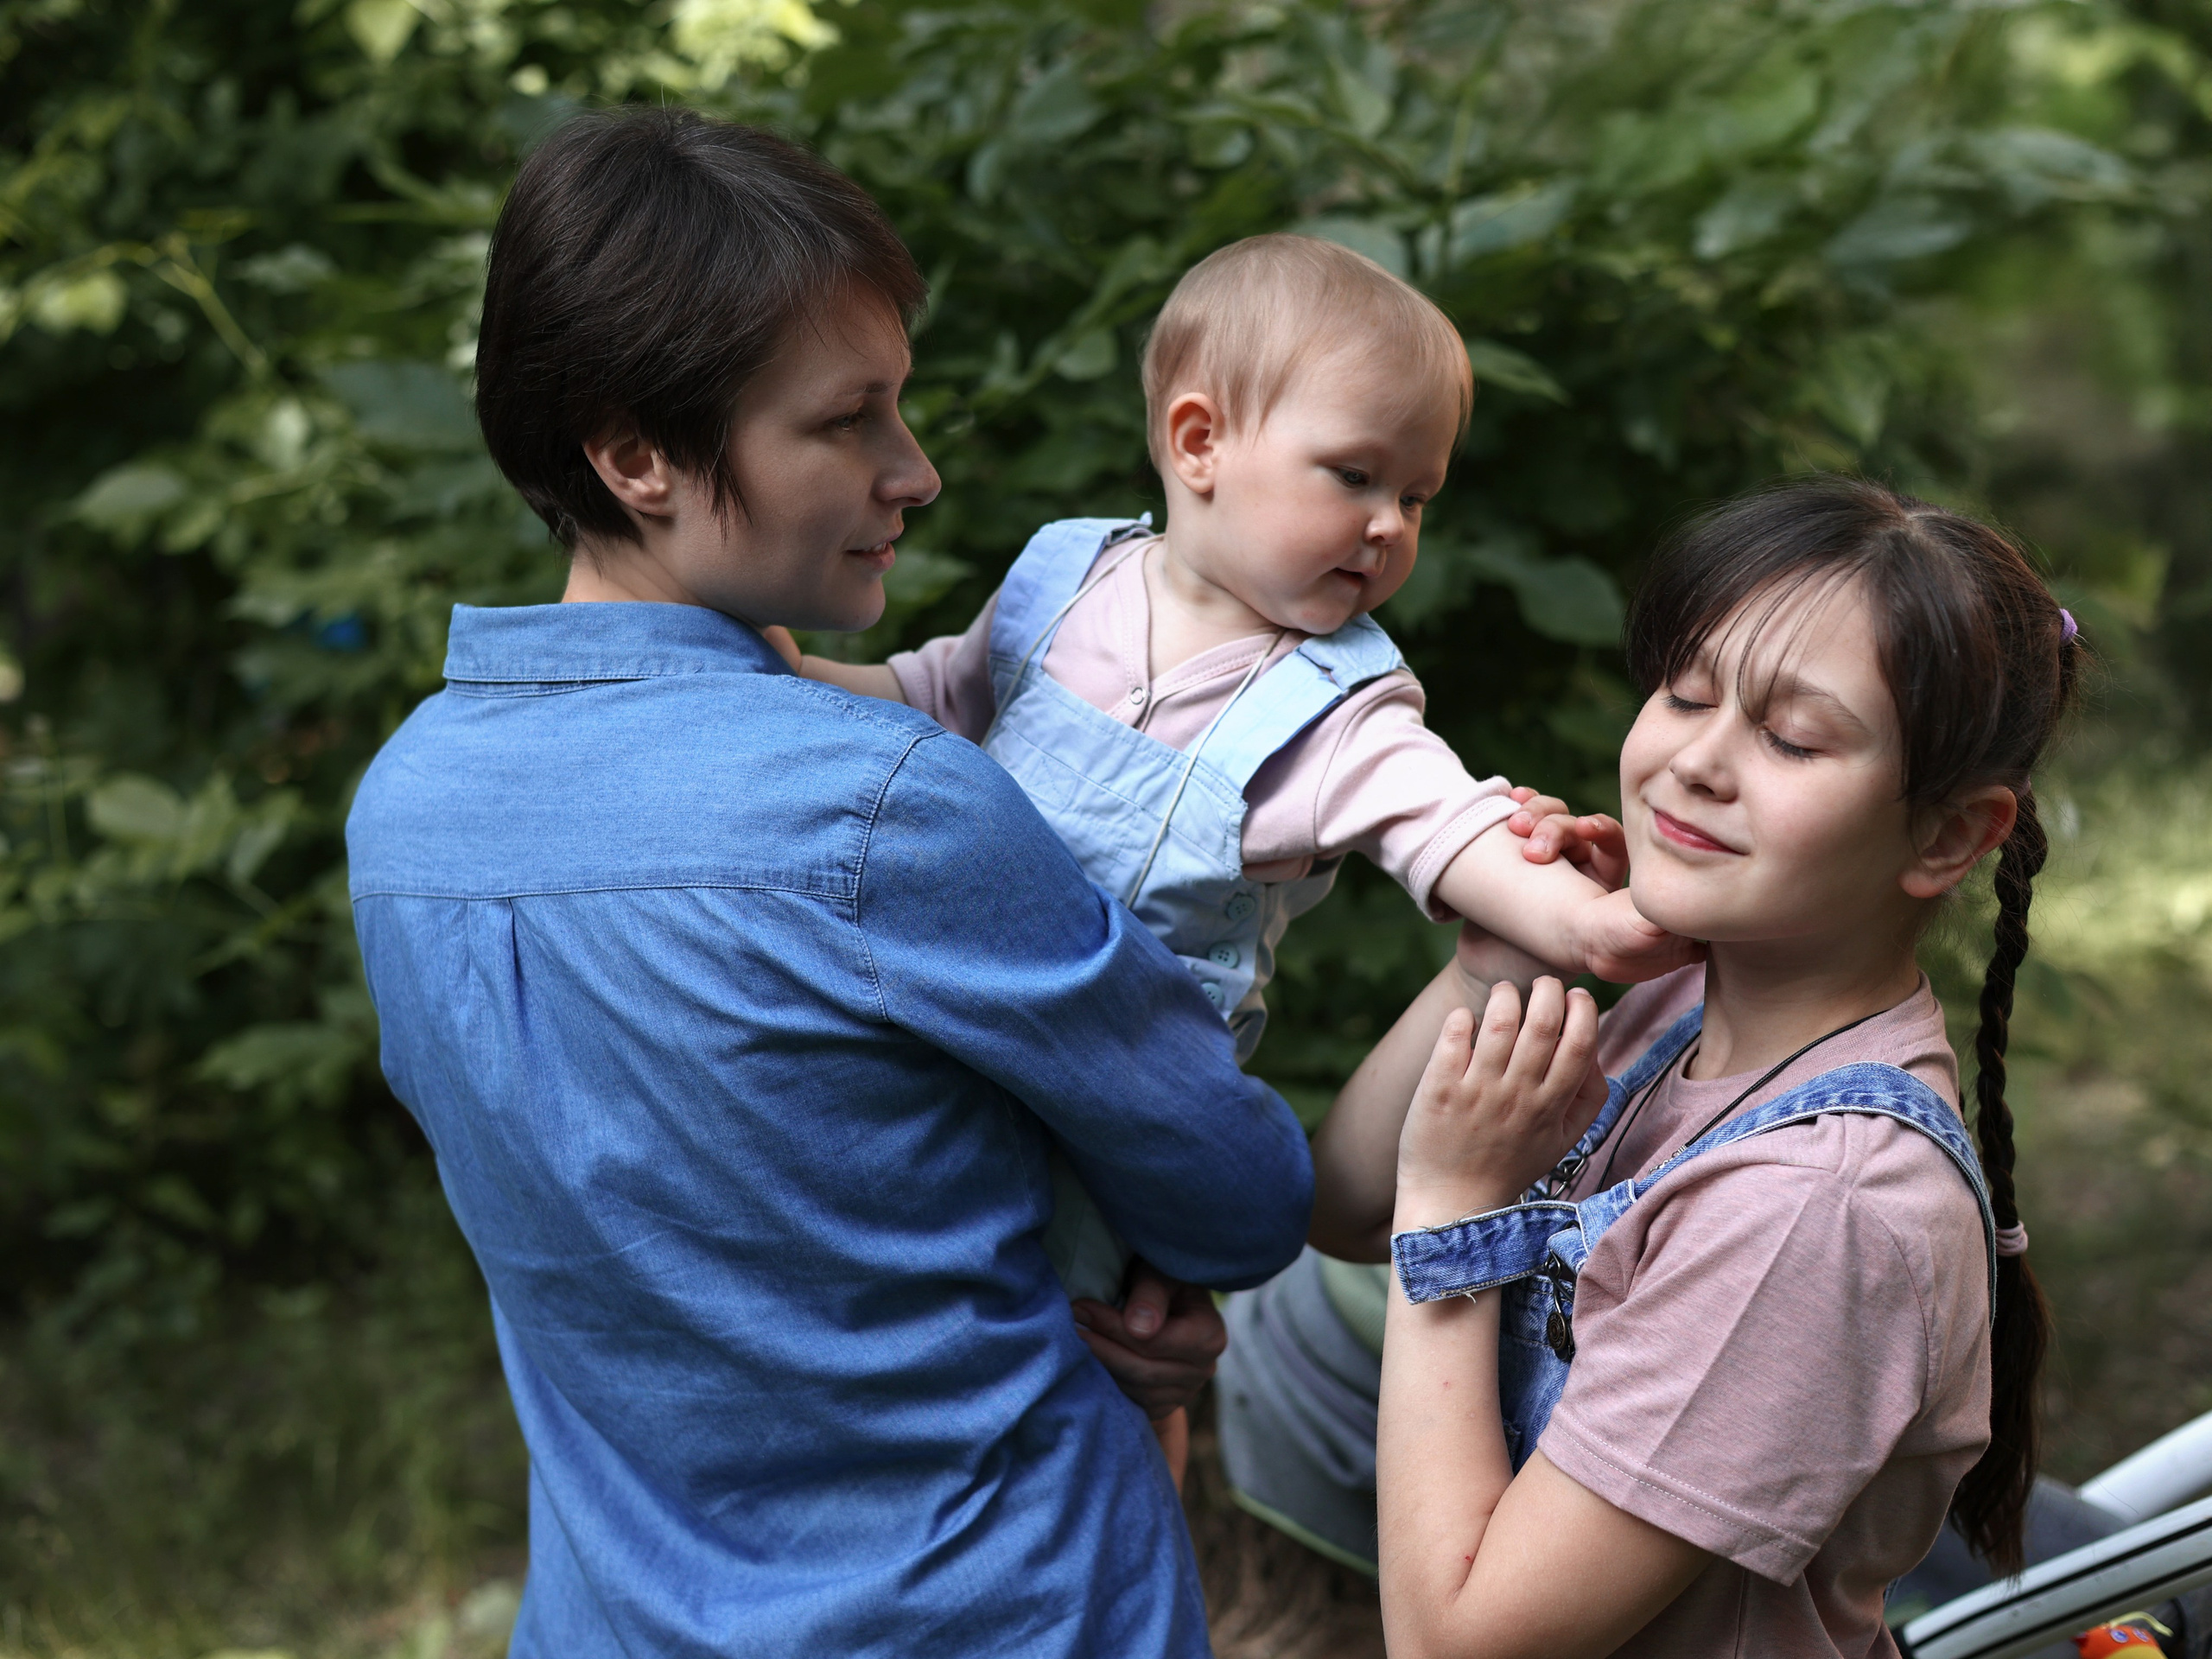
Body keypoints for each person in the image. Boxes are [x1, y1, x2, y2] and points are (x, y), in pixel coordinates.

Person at [345, 109, 1313, 1659]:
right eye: (847, 422)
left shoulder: (404, 817)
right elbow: (1239, 1197)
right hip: (1000, 1610)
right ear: (635, 454)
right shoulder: (885, 809)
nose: (912, 473)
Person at [779, 232, 1694, 1474]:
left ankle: (1118, 1515)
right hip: (951, 1015)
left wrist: (1594, 925)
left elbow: (1448, 820)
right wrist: (782, 674)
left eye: (1417, 497)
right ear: (1200, 442)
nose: (1389, 525)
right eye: (1355, 475)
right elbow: (935, 697)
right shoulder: (1067, 577)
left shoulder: (1333, 705)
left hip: (1113, 1107)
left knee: (1081, 1355)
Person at [1308, 476, 2076, 1655]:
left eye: (1792, 738)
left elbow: (1458, 1644)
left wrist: (1458, 1215)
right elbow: (1348, 1208)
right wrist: (1498, 964)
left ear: (1948, 834)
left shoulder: (1822, 1208)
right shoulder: (1678, 1005)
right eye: (1685, 693)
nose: (1698, 763)